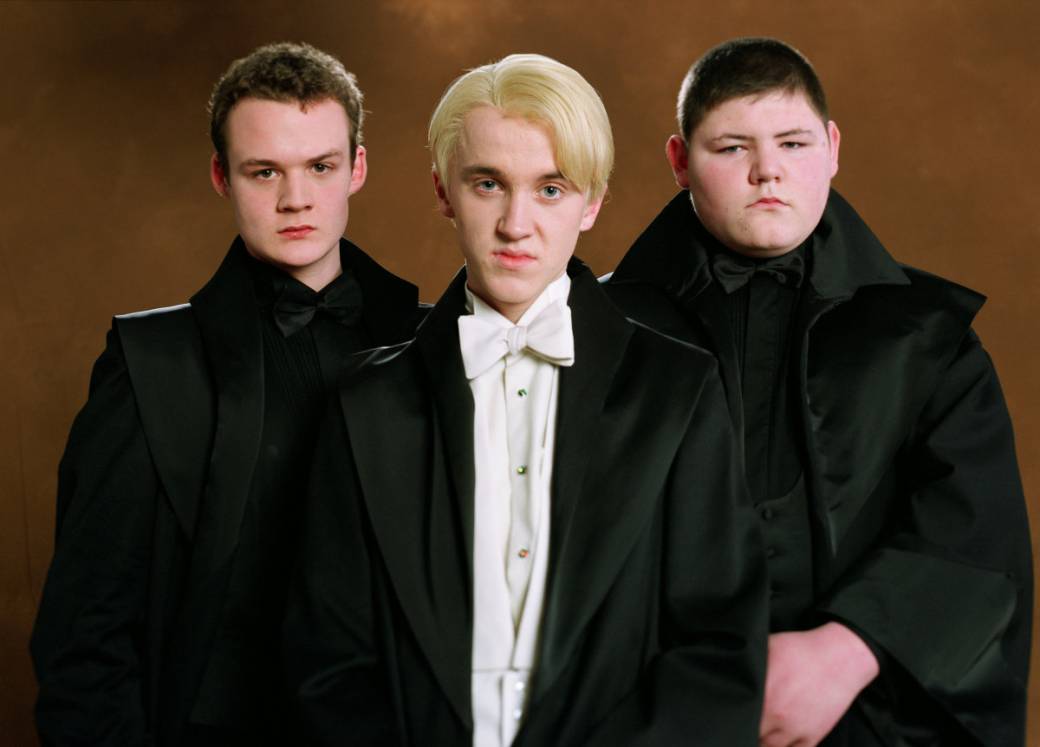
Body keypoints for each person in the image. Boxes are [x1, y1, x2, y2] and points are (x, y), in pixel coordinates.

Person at [284, 53, 768, 746]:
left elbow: (718, 652)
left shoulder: (678, 390)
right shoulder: (363, 402)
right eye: (488, 184)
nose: (516, 224)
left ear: (591, 203)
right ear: (444, 191)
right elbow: (327, 662)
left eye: (550, 189)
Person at [605, 37, 1032, 746]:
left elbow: (976, 533)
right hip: (655, 712)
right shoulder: (594, 328)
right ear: (679, 161)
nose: (767, 171)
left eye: (794, 143)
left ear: (832, 148)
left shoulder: (930, 334)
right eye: (732, 148)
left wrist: (847, 651)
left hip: (871, 710)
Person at [30, 42, 423, 747]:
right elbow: (84, 633)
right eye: (264, 170)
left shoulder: (434, 341)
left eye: (320, 166)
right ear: (221, 175)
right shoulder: (152, 365)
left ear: (357, 168)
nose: (295, 198)